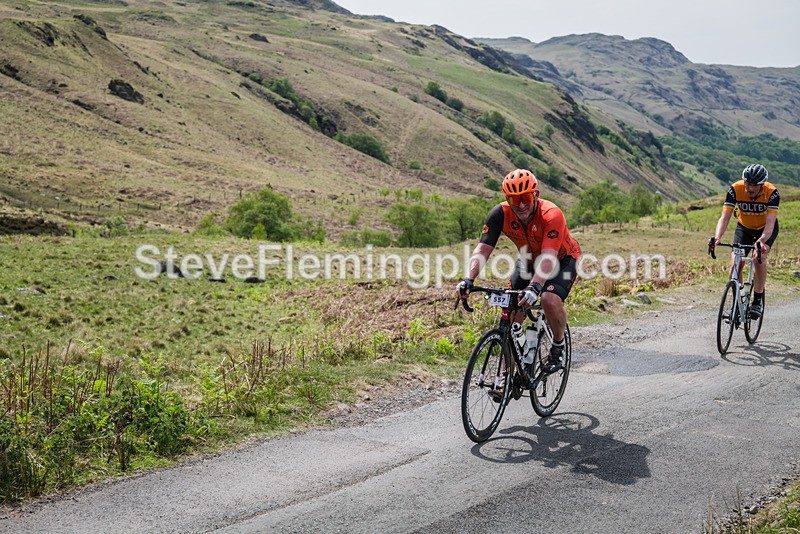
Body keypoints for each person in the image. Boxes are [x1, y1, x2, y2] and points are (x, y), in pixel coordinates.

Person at [456, 168, 581, 377]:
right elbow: (483, 249)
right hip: (529, 261)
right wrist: (468, 279)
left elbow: (548, 258)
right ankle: (506, 377)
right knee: (511, 314)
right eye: (515, 200)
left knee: (549, 299)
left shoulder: (551, 214)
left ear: (536, 195)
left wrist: (535, 287)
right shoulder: (500, 214)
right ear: (508, 199)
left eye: (525, 197)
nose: (521, 204)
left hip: (562, 260)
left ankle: (558, 348)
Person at [708, 163, 779, 319]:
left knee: (758, 258)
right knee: (736, 263)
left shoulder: (772, 193)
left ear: (762, 185)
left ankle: (757, 301)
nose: (749, 188)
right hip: (744, 228)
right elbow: (725, 217)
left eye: (754, 185)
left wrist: (761, 242)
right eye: (747, 183)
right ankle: (738, 302)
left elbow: (770, 225)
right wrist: (717, 237)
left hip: (765, 229)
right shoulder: (735, 189)